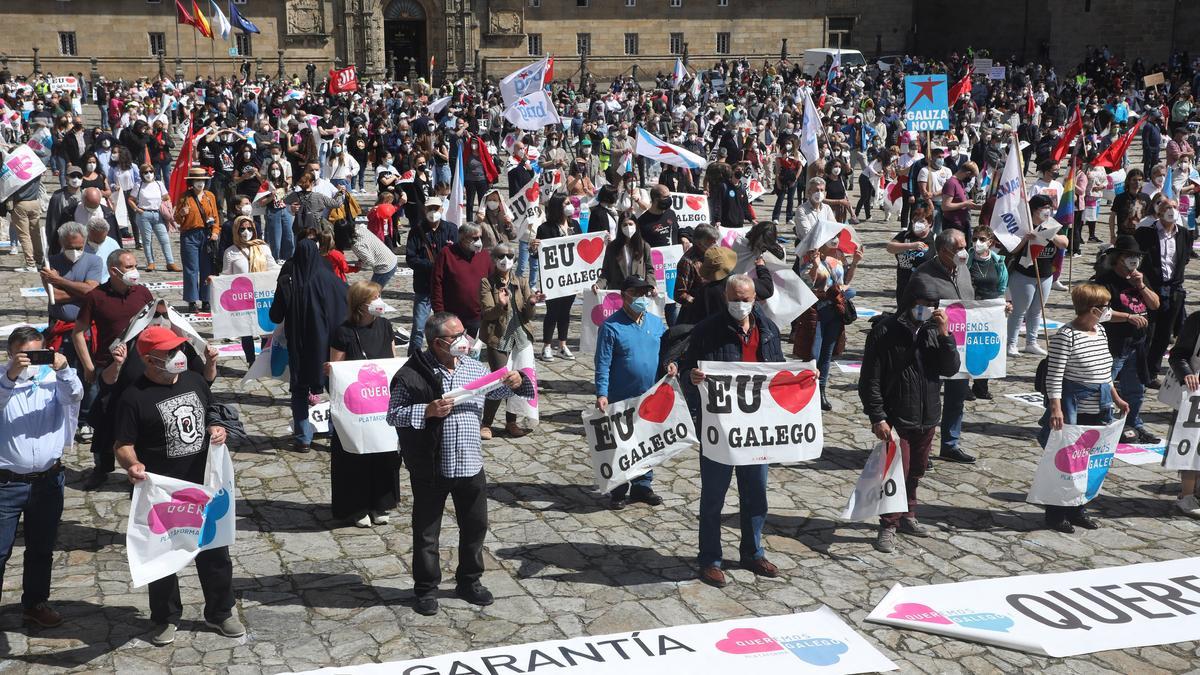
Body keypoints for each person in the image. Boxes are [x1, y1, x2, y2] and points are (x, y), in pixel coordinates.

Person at [385, 311, 533, 616]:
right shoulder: (412, 373)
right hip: (432, 466)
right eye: (457, 335)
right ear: (439, 343)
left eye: (465, 333)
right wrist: (426, 411)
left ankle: (469, 581)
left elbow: (497, 388)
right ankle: (426, 589)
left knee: (475, 526)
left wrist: (516, 382)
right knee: (427, 532)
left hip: (469, 463)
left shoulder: (471, 367)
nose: (466, 339)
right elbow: (393, 414)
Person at [113, 326, 243, 646]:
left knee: (214, 553)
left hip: (202, 487)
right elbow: (122, 444)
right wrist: (132, 464)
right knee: (162, 557)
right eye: (169, 353)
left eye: (178, 350)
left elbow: (211, 409)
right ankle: (165, 617)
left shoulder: (194, 379)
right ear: (149, 359)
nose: (178, 357)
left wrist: (216, 428)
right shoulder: (133, 397)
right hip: (162, 493)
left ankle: (221, 611)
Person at [682, 274, 783, 588]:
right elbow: (685, 369)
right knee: (714, 498)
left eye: (746, 299)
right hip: (720, 430)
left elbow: (777, 374)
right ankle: (710, 559)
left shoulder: (768, 331)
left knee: (756, 495)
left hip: (755, 431)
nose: (740, 304)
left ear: (755, 299)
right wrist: (692, 377)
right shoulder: (707, 330)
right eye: (735, 298)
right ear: (726, 297)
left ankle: (753, 552)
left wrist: (805, 376)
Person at [859, 283, 960, 553]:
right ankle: (888, 524)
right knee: (895, 474)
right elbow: (870, 377)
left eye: (930, 304)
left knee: (916, 469)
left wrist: (945, 335)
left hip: (926, 416)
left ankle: (908, 515)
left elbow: (950, 369)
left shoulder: (933, 332)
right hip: (897, 416)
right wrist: (877, 415)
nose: (924, 309)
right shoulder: (885, 330)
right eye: (920, 303)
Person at [0, 326, 82, 628]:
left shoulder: (52, 378)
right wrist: (10, 376)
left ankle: (35, 604)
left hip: (48, 481)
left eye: (39, 353)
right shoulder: (1, 377)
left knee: (41, 548)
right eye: (27, 355)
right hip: (6, 483)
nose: (34, 361)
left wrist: (62, 369)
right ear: (11, 353)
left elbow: (74, 396)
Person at [1039, 283, 1129, 533]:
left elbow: (1104, 371)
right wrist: (1056, 408)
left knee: (1088, 462)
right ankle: (1056, 513)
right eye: (1104, 306)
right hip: (1073, 410)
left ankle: (1078, 509)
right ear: (1092, 309)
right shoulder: (1066, 336)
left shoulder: (1100, 331)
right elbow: (1054, 376)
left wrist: (1116, 396)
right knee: (1066, 462)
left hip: (1098, 409)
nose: (1108, 310)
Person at [73, 249, 154, 488]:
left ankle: (138, 467)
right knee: (104, 418)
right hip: (108, 368)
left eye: (134, 265)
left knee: (138, 418)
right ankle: (101, 467)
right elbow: (78, 331)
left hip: (139, 367)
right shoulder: (96, 297)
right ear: (113, 270)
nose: (133, 271)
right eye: (128, 267)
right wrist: (88, 366)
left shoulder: (142, 293)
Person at [327, 281, 402, 527]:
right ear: (361, 304)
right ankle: (357, 507)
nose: (380, 301)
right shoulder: (343, 332)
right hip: (356, 407)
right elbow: (336, 369)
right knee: (355, 457)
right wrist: (331, 371)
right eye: (375, 297)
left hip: (381, 402)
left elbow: (392, 359)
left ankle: (382, 503)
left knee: (385, 453)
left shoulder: (386, 326)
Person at [901, 229, 977, 464]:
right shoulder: (923, 276)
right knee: (930, 398)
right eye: (959, 248)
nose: (964, 252)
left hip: (959, 344)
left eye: (965, 246)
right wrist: (931, 317)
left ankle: (950, 444)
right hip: (932, 345)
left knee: (957, 396)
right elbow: (908, 312)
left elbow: (971, 300)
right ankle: (923, 447)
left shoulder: (963, 269)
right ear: (943, 251)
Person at [595, 276, 669, 509]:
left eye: (644, 293)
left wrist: (671, 365)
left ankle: (642, 486)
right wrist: (602, 392)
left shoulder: (657, 324)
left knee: (647, 441)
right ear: (624, 295)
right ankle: (618, 489)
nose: (641, 298)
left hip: (650, 395)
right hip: (621, 398)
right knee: (621, 444)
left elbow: (665, 354)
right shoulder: (611, 327)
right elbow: (603, 363)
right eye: (635, 293)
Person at [269, 239, 348, 454]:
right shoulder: (330, 280)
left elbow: (275, 315)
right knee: (335, 389)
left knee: (299, 390)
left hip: (300, 347)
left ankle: (303, 438)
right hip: (328, 345)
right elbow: (346, 305)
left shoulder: (288, 282)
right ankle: (337, 432)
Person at [1092, 236, 1160, 445]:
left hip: (1137, 345)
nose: (1134, 260)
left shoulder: (1139, 278)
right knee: (1105, 385)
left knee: (1136, 388)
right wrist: (1128, 317)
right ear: (1118, 258)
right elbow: (1099, 312)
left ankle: (1134, 423)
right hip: (1114, 344)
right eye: (1129, 256)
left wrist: (1140, 285)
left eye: (1137, 257)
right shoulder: (1105, 280)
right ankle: (1103, 423)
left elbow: (1155, 304)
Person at [479, 243, 543, 439]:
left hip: (521, 337)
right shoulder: (487, 283)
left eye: (509, 256)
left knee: (518, 381)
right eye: (500, 256)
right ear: (494, 260)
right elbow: (487, 313)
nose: (505, 260)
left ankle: (511, 421)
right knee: (501, 380)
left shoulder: (521, 282)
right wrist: (501, 304)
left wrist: (532, 304)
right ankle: (486, 423)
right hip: (498, 338)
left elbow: (528, 315)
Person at [1135, 198, 1191, 386]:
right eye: (1168, 207)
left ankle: (1151, 371)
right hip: (1152, 288)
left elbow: (1184, 259)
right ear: (1159, 212)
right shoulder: (1146, 232)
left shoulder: (1183, 234)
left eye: (1175, 207)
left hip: (1173, 289)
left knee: (1164, 333)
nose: (1172, 210)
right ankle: (1138, 370)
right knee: (1147, 331)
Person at [1006, 194, 1068, 358]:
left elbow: (1064, 243)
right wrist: (1025, 238)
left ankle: (1031, 343)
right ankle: (1011, 343)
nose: (1048, 210)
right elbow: (1012, 250)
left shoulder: (1051, 225)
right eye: (1044, 207)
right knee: (1019, 310)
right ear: (1034, 210)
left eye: (1049, 207)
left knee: (1036, 310)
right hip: (1024, 274)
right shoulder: (1024, 225)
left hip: (1046, 275)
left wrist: (1051, 234)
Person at [794, 238, 848, 412]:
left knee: (827, 354)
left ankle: (821, 391)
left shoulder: (837, 258)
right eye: (829, 240)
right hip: (816, 312)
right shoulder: (807, 259)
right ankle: (806, 389)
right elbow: (809, 282)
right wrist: (816, 265)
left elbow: (844, 282)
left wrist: (854, 264)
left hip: (834, 312)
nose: (834, 242)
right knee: (813, 353)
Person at [221, 216, 280, 364]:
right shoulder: (230, 252)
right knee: (245, 332)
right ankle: (251, 362)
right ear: (236, 230)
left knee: (265, 332)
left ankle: (263, 362)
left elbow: (273, 267)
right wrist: (214, 280)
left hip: (262, 295)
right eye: (242, 229)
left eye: (249, 228)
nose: (246, 232)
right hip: (243, 298)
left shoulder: (263, 247)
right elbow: (226, 275)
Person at [405, 197, 458, 354]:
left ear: (442, 210)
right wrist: (433, 266)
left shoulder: (451, 229)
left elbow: (456, 255)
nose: (433, 212)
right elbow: (411, 258)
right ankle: (413, 358)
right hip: (424, 287)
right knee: (419, 327)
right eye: (430, 209)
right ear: (425, 211)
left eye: (436, 209)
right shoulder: (416, 231)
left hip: (446, 288)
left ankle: (445, 354)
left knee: (446, 326)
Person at [966, 224, 1010, 400]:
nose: (978, 242)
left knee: (984, 348)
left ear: (990, 242)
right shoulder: (965, 259)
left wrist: (1005, 304)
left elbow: (1002, 287)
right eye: (975, 239)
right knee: (967, 347)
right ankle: (963, 385)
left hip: (990, 310)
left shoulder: (998, 261)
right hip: (969, 307)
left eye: (982, 239)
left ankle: (981, 385)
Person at [535, 197, 581, 362]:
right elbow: (538, 253)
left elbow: (581, 245)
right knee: (552, 312)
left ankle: (562, 345)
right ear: (557, 207)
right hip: (554, 279)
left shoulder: (575, 226)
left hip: (571, 277)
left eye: (570, 203)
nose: (569, 206)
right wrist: (534, 247)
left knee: (565, 312)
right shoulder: (545, 228)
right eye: (565, 203)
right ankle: (546, 345)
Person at [174, 167, 222, 313]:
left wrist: (215, 231)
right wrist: (182, 213)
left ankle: (206, 299)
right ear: (191, 182)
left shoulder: (210, 196)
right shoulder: (184, 197)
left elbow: (215, 216)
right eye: (197, 180)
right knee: (191, 269)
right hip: (189, 235)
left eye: (202, 180)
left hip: (206, 235)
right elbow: (177, 219)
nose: (200, 183)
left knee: (207, 268)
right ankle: (192, 300)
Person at [431, 222, 491, 338]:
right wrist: (439, 313)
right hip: (452, 317)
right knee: (452, 351)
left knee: (472, 353)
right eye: (475, 238)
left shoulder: (484, 255)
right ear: (463, 238)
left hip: (476, 317)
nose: (479, 241)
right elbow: (436, 284)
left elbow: (492, 281)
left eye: (480, 237)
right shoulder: (447, 254)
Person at [1167, 310, 1200, 518]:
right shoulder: (1197, 320)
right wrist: (1186, 373)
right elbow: (1178, 355)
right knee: (1191, 444)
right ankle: (1186, 495)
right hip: (1195, 393)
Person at [886, 199, 936, 304]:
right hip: (904, 284)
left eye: (921, 221)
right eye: (915, 220)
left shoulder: (934, 239)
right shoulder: (905, 235)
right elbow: (890, 247)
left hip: (924, 285)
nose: (917, 224)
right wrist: (910, 246)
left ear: (930, 223)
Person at [130, 163, 177, 272]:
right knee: (147, 240)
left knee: (164, 239)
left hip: (158, 214)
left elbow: (166, 197)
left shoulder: (159, 184)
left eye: (150, 171)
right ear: (142, 174)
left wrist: (165, 206)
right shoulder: (139, 185)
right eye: (146, 172)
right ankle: (150, 262)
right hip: (144, 215)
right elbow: (130, 199)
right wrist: (137, 209)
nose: (149, 174)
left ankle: (170, 263)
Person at [258, 161, 296, 261]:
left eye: (277, 169)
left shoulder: (285, 183)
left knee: (289, 236)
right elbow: (261, 202)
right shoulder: (265, 184)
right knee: (275, 239)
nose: (275, 171)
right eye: (273, 169)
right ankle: (276, 259)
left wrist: (288, 191)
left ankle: (288, 259)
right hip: (273, 212)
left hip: (286, 212)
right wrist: (271, 195)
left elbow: (292, 199)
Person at [349, 218, 401, 289]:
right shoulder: (360, 229)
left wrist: (360, 264)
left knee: (372, 292)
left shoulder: (356, 245)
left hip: (385, 266)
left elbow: (370, 261)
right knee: (373, 291)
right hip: (390, 258)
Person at [794, 177, 837, 246]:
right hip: (807, 248)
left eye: (821, 190)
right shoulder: (801, 210)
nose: (819, 193)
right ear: (809, 192)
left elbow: (833, 229)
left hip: (824, 247)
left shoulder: (827, 208)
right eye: (816, 190)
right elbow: (807, 233)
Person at [83, 217, 121, 283]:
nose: (98, 244)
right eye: (95, 241)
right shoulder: (77, 244)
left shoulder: (112, 243)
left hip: (107, 283)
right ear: (87, 232)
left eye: (101, 241)